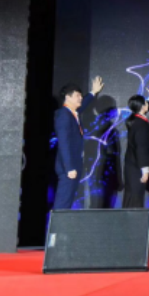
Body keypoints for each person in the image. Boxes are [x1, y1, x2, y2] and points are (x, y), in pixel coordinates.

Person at [53, 77, 104, 210]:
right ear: (67, 97)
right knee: (63, 202)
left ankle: (61, 223)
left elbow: (83, 105)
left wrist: (93, 92)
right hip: (68, 167)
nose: (80, 98)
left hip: (74, 165)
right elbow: (64, 143)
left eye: (81, 96)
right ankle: (56, 224)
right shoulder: (63, 115)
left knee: (67, 202)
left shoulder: (72, 113)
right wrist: (69, 167)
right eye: (77, 96)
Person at [123, 83, 149, 209]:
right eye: (145, 103)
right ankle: (132, 222)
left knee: (131, 198)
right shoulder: (141, 124)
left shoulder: (136, 119)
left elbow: (145, 106)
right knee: (135, 199)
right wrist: (145, 171)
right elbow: (141, 148)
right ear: (143, 106)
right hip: (137, 167)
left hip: (132, 165)